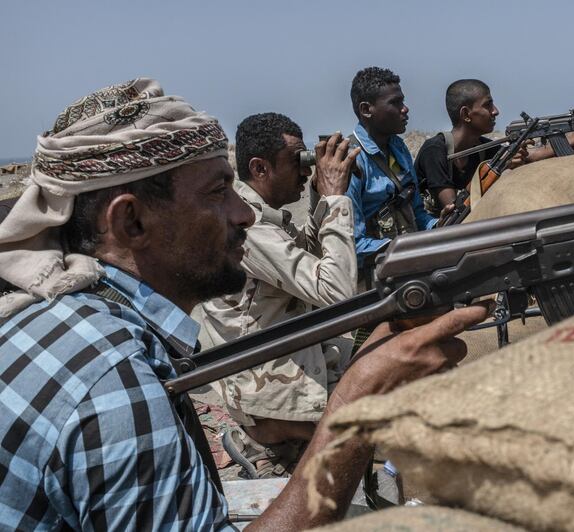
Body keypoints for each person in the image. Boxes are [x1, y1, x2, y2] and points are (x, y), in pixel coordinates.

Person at [0, 78, 491, 530]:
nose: (240, 212)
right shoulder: (114, 382)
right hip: (271, 400)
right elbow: (333, 289)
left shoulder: (64, 324)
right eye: (218, 193)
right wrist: (354, 410)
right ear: (131, 222)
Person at [194, 112, 360, 479]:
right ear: (260, 168)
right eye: (296, 161)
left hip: (290, 368)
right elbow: (335, 291)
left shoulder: (266, 219)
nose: (305, 171)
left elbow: (309, 263)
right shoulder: (248, 228)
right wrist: (335, 200)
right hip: (270, 393)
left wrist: (319, 195)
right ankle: (264, 441)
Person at [414, 79, 574, 215]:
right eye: (487, 105)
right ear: (466, 114)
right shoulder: (436, 150)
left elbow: (534, 158)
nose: (496, 111)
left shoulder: (483, 148)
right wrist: (499, 169)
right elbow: (454, 211)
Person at [345, 66, 450, 271]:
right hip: (374, 276)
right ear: (366, 110)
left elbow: (418, 214)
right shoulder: (351, 160)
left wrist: (438, 225)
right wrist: (411, 247)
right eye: (395, 103)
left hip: (408, 262)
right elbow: (353, 244)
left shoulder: (398, 148)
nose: (405, 109)